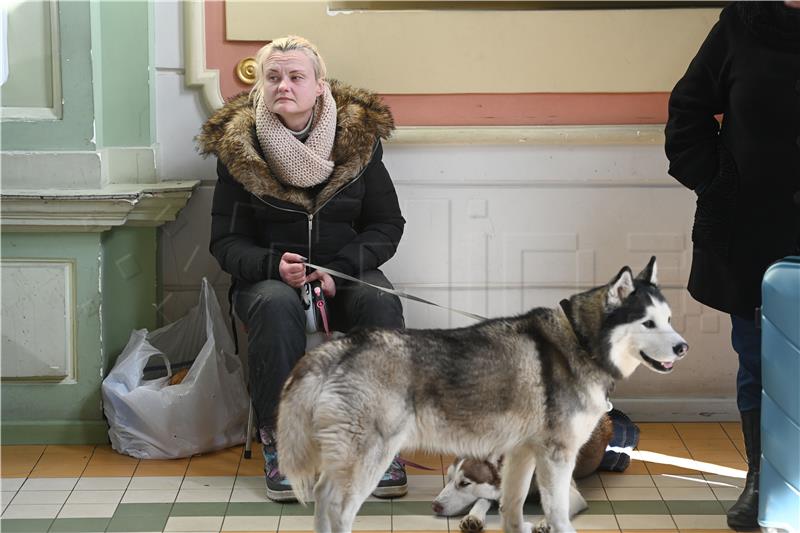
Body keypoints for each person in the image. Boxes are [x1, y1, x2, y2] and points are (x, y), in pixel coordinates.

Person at [197, 36, 408, 502]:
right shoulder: (240, 150)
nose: (284, 85)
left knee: (379, 299)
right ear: (261, 87)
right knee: (273, 304)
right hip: (269, 278)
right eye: (273, 77)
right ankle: (281, 442)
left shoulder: (358, 143)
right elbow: (226, 242)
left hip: (344, 270)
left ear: (319, 86)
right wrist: (273, 265)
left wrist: (338, 268)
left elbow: (386, 224)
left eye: (296, 77)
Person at [665, 2, 800, 530]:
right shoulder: (743, 25)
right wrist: (718, 186)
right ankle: (765, 481)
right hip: (754, 236)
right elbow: (687, 110)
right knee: (761, 362)